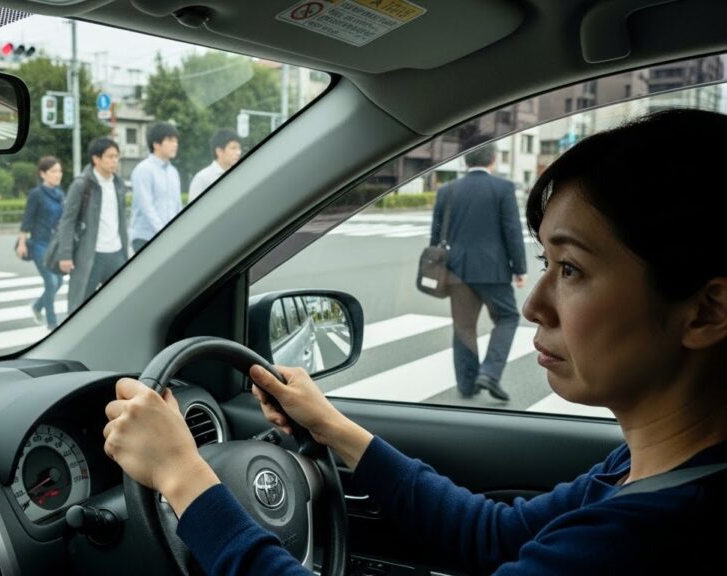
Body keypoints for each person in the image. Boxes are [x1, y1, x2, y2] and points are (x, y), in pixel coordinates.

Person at [102, 109, 727, 574]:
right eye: (546, 263)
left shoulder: (640, 537)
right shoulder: (644, 473)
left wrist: (183, 477)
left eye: (570, 270)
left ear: (706, 310)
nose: (535, 304)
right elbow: (490, 535)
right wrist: (333, 427)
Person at [430, 142, 527, 401]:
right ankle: (490, 373)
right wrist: (519, 268)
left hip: (457, 270)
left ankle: (466, 385)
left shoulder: (448, 190)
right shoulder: (503, 188)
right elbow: (512, 231)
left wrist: (437, 267)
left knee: (464, 328)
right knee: (507, 318)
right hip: (493, 270)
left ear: (465, 162)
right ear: (493, 160)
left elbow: (436, 233)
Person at [56, 137, 129, 312]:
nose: (114, 161)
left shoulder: (118, 184)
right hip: (91, 255)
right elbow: (68, 221)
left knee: (119, 304)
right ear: (96, 159)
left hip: (117, 254)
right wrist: (65, 254)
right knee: (81, 306)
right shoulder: (82, 184)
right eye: (110, 156)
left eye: (116, 157)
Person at [16, 156, 64, 329]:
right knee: (51, 283)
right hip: (39, 244)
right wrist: (22, 243)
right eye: (53, 172)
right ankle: (52, 323)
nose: (58, 175)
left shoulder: (60, 194)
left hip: (54, 245)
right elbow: (27, 220)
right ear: (43, 174)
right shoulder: (36, 194)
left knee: (58, 283)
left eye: (59, 171)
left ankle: (37, 306)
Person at [129, 121, 181, 253]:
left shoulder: (173, 172)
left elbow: (177, 205)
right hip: (145, 238)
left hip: (169, 238)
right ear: (156, 144)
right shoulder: (143, 170)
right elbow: (146, 207)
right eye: (170, 140)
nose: (175, 144)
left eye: (176, 140)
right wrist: (163, 232)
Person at [188, 129, 242, 202]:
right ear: (219, 151)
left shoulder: (238, 176)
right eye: (233, 148)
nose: (238, 152)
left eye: (239, 148)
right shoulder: (202, 178)